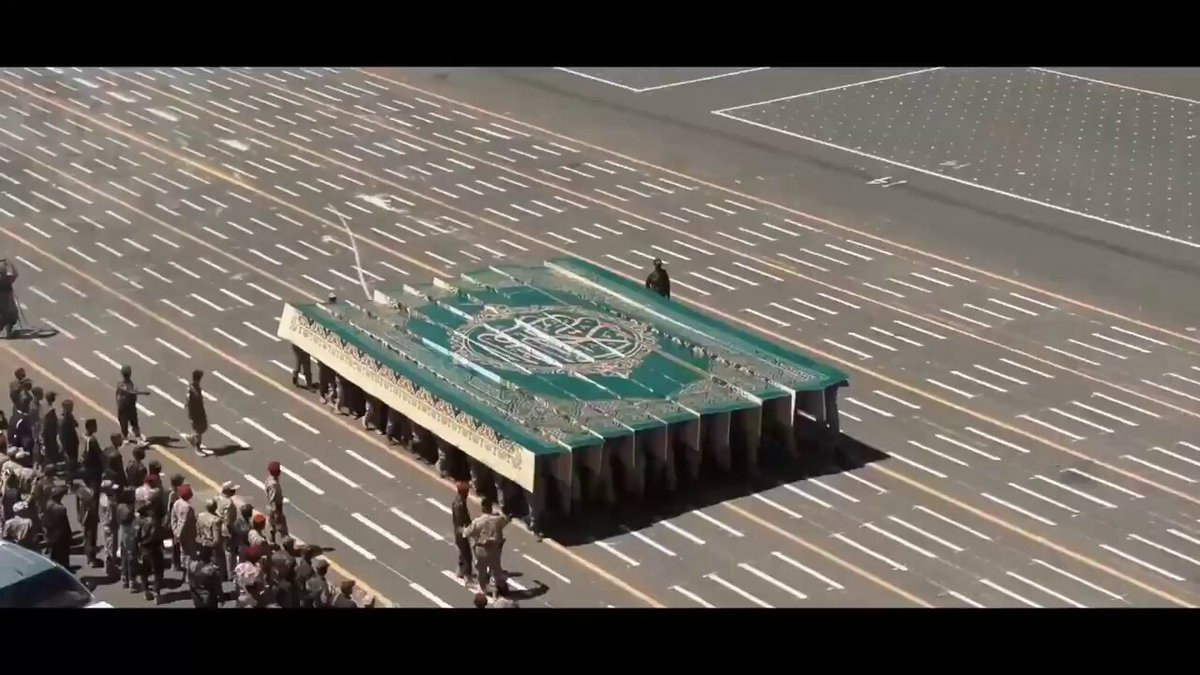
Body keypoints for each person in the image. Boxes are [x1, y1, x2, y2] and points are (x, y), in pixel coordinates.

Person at [460, 496, 510, 597]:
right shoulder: (498, 520)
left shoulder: (477, 522)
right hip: (494, 550)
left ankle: (484, 589)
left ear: (482, 508)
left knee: (481, 572)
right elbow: (507, 519)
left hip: (481, 549)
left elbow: (466, 533)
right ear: (491, 508)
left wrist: (463, 529)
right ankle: (500, 587)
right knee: (496, 570)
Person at [136, 502, 166, 603]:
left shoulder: (138, 522)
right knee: (158, 571)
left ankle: (146, 591)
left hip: (143, 548)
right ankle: (157, 593)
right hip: (155, 548)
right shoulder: (155, 522)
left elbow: (135, 537)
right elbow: (161, 535)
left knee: (143, 571)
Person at [114, 365, 150, 446]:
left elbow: (117, 394)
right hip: (126, 407)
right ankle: (128, 438)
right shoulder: (122, 384)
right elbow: (130, 392)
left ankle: (134, 439)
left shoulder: (124, 384)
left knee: (132, 423)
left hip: (126, 406)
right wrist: (143, 393)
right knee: (127, 423)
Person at [170, 484, 198, 580]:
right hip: (187, 534)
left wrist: (175, 531)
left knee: (184, 553)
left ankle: (186, 573)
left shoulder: (177, 503)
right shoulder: (187, 507)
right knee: (190, 555)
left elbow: (173, 518)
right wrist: (179, 534)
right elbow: (183, 522)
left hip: (180, 533)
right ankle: (188, 576)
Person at [196, 497, 226, 582]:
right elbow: (216, 539)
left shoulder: (199, 516)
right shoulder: (216, 520)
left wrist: (202, 542)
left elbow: (197, 532)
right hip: (213, 548)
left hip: (201, 543)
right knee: (216, 567)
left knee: (203, 565)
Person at [42, 485, 72, 568]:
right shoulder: (60, 508)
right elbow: (64, 524)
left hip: (52, 534)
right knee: (63, 556)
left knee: (55, 555)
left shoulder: (48, 504)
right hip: (61, 535)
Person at [451, 481, 473, 580]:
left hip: (458, 530)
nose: (468, 492)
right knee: (466, 553)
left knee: (462, 551)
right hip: (461, 531)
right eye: (466, 490)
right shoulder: (460, 503)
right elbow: (461, 519)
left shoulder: (458, 501)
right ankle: (467, 574)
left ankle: (461, 570)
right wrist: (468, 527)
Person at [75, 480, 100, 568]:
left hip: (85, 516)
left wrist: (79, 517)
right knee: (91, 538)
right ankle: (91, 558)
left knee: (87, 537)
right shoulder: (91, 491)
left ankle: (89, 557)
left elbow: (77, 506)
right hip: (89, 516)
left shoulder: (80, 490)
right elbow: (93, 505)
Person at [118, 495, 140, 590]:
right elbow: (137, 528)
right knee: (132, 561)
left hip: (123, 539)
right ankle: (132, 582)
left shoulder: (120, 509)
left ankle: (124, 579)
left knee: (124, 560)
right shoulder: (134, 516)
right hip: (131, 541)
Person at [184, 369, 208, 455]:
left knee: (199, 428)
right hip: (196, 412)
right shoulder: (193, 389)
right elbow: (189, 399)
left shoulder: (194, 387)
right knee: (199, 429)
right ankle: (197, 448)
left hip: (198, 411)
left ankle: (192, 438)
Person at [98, 479, 119, 577]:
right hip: (110, 527)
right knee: (110, 548)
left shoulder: (103, 497)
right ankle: (110, 569)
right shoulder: (108, 502)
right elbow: (109, 517)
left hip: (106, 526)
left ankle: (110, 566)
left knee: (109, 547)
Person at [215, 481, 238, 567]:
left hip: (216, 527)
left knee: (218, 551)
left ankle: (220, 568)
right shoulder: (229, 503)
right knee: (229, 552)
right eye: (232, 490)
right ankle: (230, 571)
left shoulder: (217, 497)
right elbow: (228, 522)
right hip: (225, 531)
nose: (234, 491)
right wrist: (232, 533)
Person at [265, 461, 287, 544]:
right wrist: (276, 513)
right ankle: (287, 545)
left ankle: (272, 544)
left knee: (272, 528)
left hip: (272, 508)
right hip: (275, 509)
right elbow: (273, 499)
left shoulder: (269, 480)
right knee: (282, 529)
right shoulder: (273, 485)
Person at [58, 399, 78, 480]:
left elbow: (76, 424)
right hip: (67, 443)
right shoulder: (62, 419)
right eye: (70, 407)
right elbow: (61, 434)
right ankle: (68, 479)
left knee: (73, 461)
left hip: (73, 441)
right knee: (69, 461)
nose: (72, 408)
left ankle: (71, 476)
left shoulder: (70, 416)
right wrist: (62, 446)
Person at [81, 418, 103, 489]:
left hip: (86, 463)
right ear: (90, 427)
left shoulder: (83, 435)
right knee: (96, 484)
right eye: (94, 426)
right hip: (93, 465)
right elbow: (99, 451)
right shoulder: (92, 440)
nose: (96, 427)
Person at [0, 259, 18, 339]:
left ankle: (8, 331)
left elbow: (12, 276)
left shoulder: (5, 266)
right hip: (4, 295)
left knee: (11, 313)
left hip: (6, 295)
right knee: (9, 314)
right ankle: (7, 330)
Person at [40, 391, 59, 467]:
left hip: (47, 431)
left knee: (48, 448)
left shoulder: (45, 407)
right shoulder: (50, 410)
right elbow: (51, 422)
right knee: (51, 448)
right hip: (50, 432)